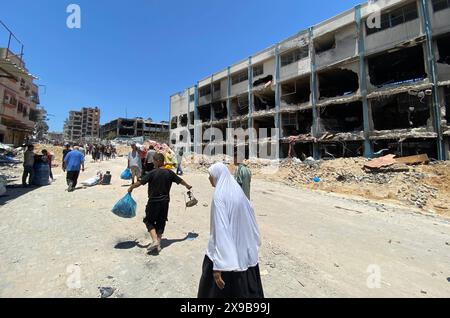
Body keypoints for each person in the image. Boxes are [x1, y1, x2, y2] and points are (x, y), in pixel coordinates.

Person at [197, 162, 263, 298]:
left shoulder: (219, 196)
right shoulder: (237, 190)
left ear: (217, 176)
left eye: (210, 175)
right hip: (244, 249)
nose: (209, 179)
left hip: (226, 255)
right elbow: (250, 217)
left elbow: (220, 230)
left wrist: (218, 266)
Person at [128, 153, 192, 254]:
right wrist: (188, 186)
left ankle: (154, 241)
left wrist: (131, 187)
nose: (153, 163)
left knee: (148, 220)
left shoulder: (152, 173)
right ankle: (158, 244)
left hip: (153, 201)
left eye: (154, 160)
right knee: (161, 221)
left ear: (158, 161)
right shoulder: (169, 173)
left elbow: (140, 183)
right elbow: (181, 181)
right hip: (165, 202)